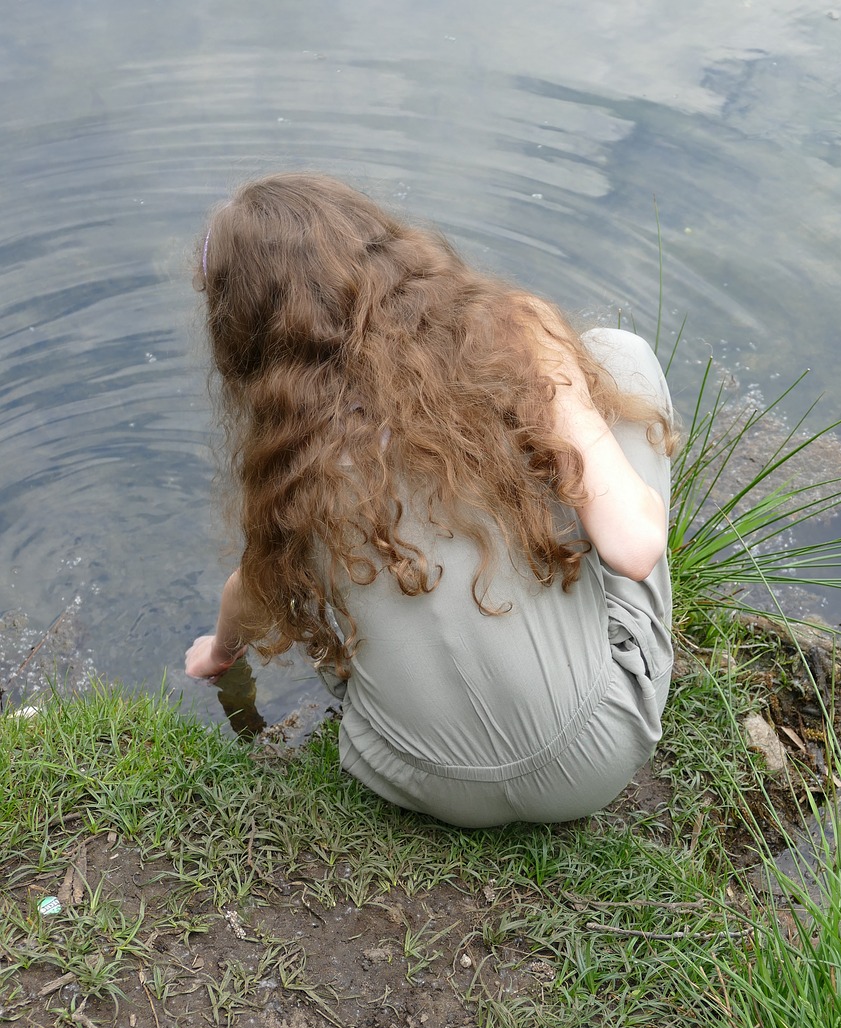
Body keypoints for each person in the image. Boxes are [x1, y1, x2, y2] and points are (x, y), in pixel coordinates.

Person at [185, 173, 677, 828]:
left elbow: (250, 590)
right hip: (595, 757)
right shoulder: (511, 333)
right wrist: (569, 412)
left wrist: (219, 655)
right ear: (381, 250)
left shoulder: (290, 458)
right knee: (621, 354)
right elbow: (635, 548)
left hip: (411, 777)